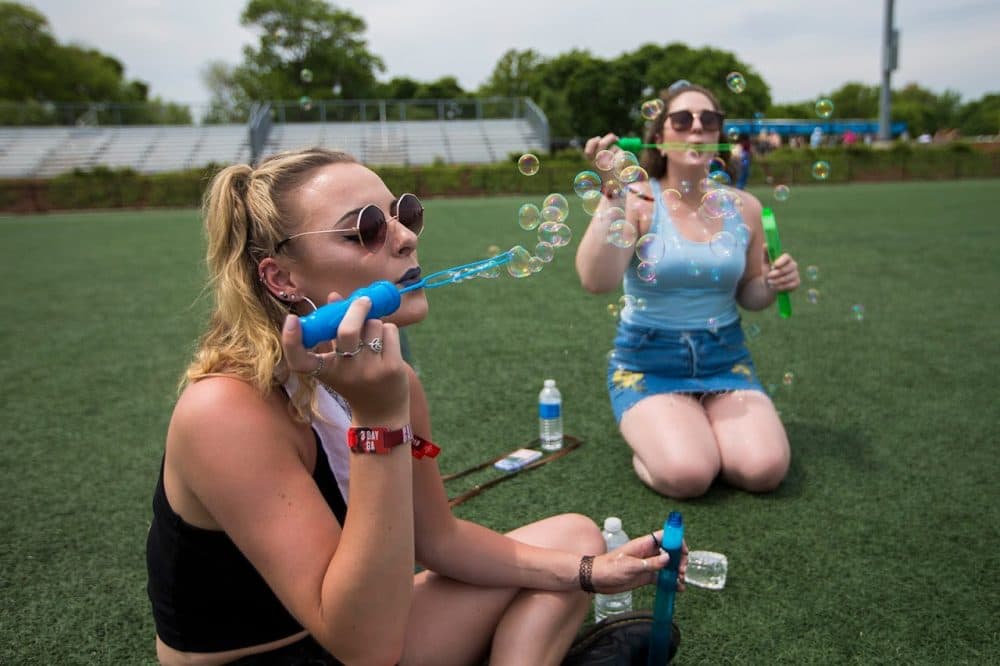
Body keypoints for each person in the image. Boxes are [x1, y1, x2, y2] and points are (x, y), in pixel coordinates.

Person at [145, 147, 684, 665]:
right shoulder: (226, 411)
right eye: (366, 229)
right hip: (283, 656)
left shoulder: (390, 379)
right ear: (282, 278)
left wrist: (593, 571)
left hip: (360, 624)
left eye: (405, 214)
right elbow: (367, 649)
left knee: (574, 543)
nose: (404, 238)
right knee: (553, 571)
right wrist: (378, 419)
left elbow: (439, 540)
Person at [577, 82, 800, 499]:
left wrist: (770, 283)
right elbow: (596, 280)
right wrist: (612, 194)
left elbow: (749, 295)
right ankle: (666, 441)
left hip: (726, 360)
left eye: (708, 120)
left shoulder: (745, 207)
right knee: (690, 475)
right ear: (659, 139)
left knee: (764, 470)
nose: (696, 128)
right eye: (681, 120)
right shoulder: (637, 202)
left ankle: (692, 429)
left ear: (719, 136)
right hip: (648, 363)